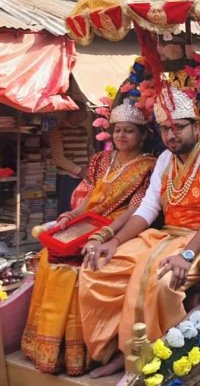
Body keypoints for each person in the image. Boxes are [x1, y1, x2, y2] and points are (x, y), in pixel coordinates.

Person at [78, 86, 200, 377]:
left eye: (178, 127)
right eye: (165, 129)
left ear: (197, 125)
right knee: (99, 267)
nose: (171, 135)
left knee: (158, 279)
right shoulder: (165, 160)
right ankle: (118, 349)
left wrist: (187, 253)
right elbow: (147, 209)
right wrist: (114, 241)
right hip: (165, 235)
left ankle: (151, 359)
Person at [22, 103, 156, 376]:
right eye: (117, 130)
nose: (121, 136)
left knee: (78, 266)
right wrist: (71, 215)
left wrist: (107, 234)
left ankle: (81, 352)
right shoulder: (101, 160)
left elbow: (137, 208)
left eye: (129, 131)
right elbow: (90, 196)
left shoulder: (148, 166)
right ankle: (47, 347)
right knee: (50, 256)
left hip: (122, 226)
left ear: (141, 135)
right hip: (89, 220)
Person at [49, 106, 92, 213]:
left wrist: (90, 167)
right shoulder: (57, 131)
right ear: (76, 113)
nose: (86, 116)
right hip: (66, 178)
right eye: (84, 113)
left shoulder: (83, 130)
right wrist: (79, 171)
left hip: (84, 176)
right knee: (67, 211)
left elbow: (90, 150)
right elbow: (58, 158)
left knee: (81, 208)